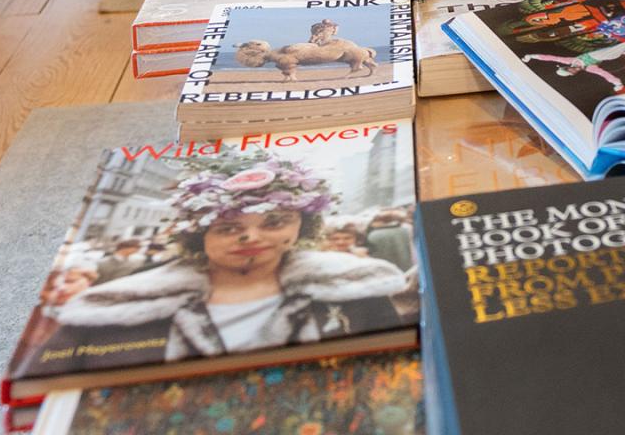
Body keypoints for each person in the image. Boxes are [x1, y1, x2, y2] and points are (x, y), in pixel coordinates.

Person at [41, 155, 409, 363]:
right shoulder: (109, 308)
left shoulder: (355, 286)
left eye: (274, 222)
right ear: (198, 236)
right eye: (229, 227)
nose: (251, 236)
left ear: (302, 226)